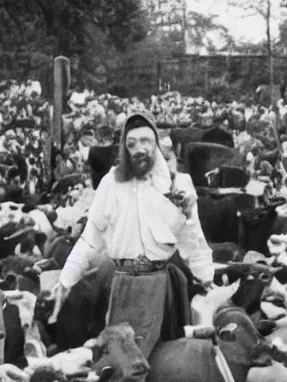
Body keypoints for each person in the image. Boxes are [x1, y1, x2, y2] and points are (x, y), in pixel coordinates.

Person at [48, 111, 214, 357]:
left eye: (146, 141)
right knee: (118, 359)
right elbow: (90, 238)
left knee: (156, 360)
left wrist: (207, 278)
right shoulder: (110, 184)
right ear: (124, 149)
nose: (139, 149)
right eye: (132, 143)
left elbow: (193, 238)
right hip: (122, 285)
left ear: (156, 144)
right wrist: (65, 280)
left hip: (160, 285)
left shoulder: (178, 184)